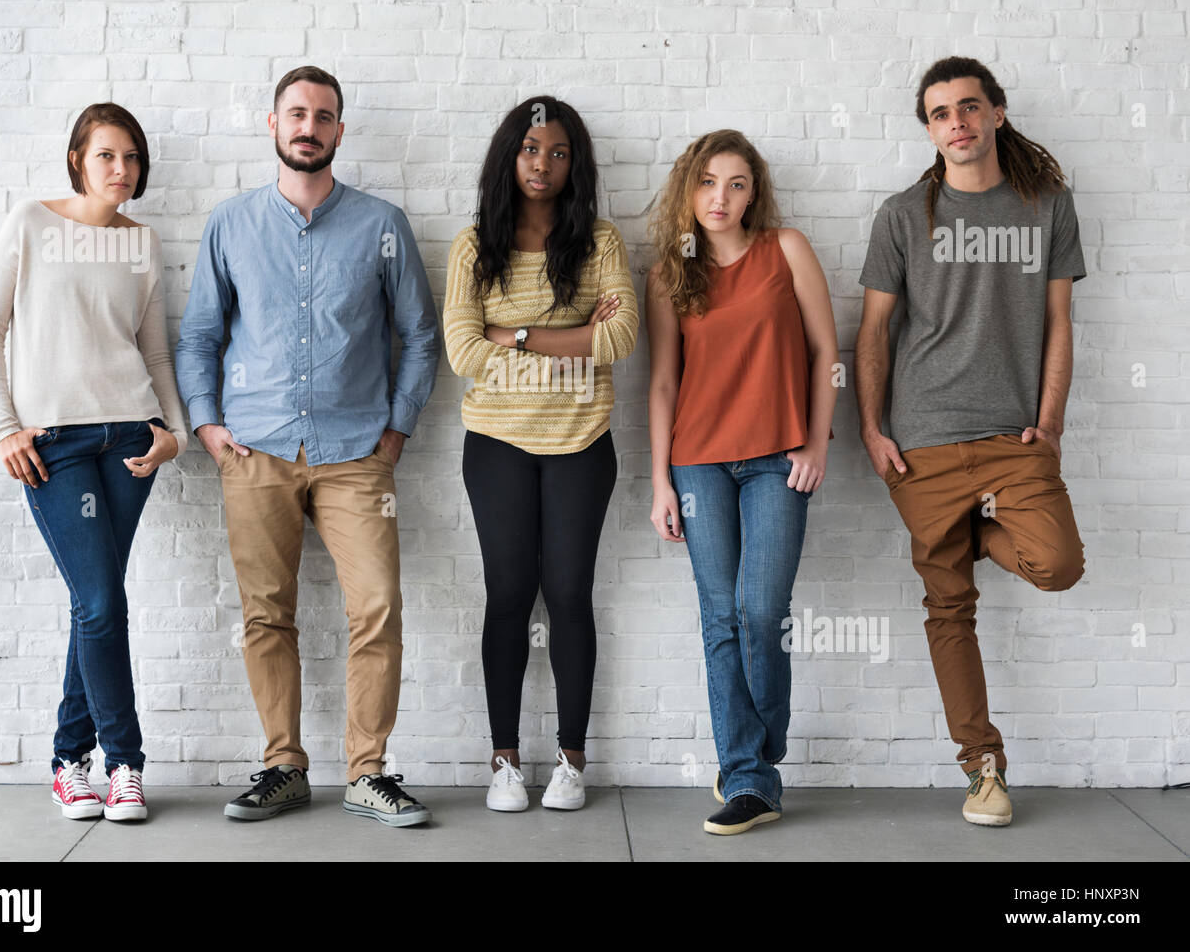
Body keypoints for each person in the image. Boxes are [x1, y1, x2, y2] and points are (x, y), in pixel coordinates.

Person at [176, 66, 440, 826]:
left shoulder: (382, 225)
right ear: (272, 124)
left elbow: (421, 338)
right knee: (267, 612)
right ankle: (283, 764)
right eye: (296, 113)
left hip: (359, 452)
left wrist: (397, 427)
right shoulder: (230, 224)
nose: (308, 126)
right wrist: (207, 423)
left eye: (323, 115)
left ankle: (368, 771)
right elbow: (198, 335)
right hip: (252, 449)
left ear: (339, 132)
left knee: (378, 606)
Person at [855, 55, 1087, 827]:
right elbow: (876, 331)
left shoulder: (1047, 206)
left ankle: (986, 530)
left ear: (996, 113)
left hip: (1012, 439)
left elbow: (1058, 323)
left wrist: (1049, 424)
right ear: (929, 129)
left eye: (967, 106)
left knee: (1056, 562)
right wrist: (870, 427)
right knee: (948, 605)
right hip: (921, 443)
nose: (955, 121)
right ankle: (983, 767)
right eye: (939, 113)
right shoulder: (902, 215)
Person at [0, 102, 187, 823]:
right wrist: (5, 428)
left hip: (130, 440)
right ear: (77, 159)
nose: (120, 170)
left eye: (130, 157)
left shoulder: (142, 243)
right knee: (101, 602)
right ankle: (123, 761)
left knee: (93, 604)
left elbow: (155, 350)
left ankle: (70, 760)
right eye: (106, 156)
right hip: (54, 445)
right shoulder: (31, 223)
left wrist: (174, 432)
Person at [443, 96, 638, 812]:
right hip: (496, 445)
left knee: (568, 595)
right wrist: (570, 334)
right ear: (509, 155)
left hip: (582, 445)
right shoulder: (474, 244)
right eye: (531, 149)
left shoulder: (601, 241)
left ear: (574, 163)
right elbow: (464, 351)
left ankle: (570, 759)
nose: (543, 163)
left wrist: (514, 335)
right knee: (508, 595)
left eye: (558, 152)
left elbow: (618, 341)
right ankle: (503, 760)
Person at [645, 129, 838, 835]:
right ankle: (749, 776)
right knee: (719, 613)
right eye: (706, 182)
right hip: (698, 460)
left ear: (754, 191)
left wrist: (817, 441)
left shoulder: (785, 250)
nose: (719, 197)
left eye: (735, 183)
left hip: (779, 457)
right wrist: (659, 479)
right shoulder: (673, 270)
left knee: (761, 610)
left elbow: (824, 351)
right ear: (687, 191)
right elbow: (663, 381)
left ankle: (759, 752)